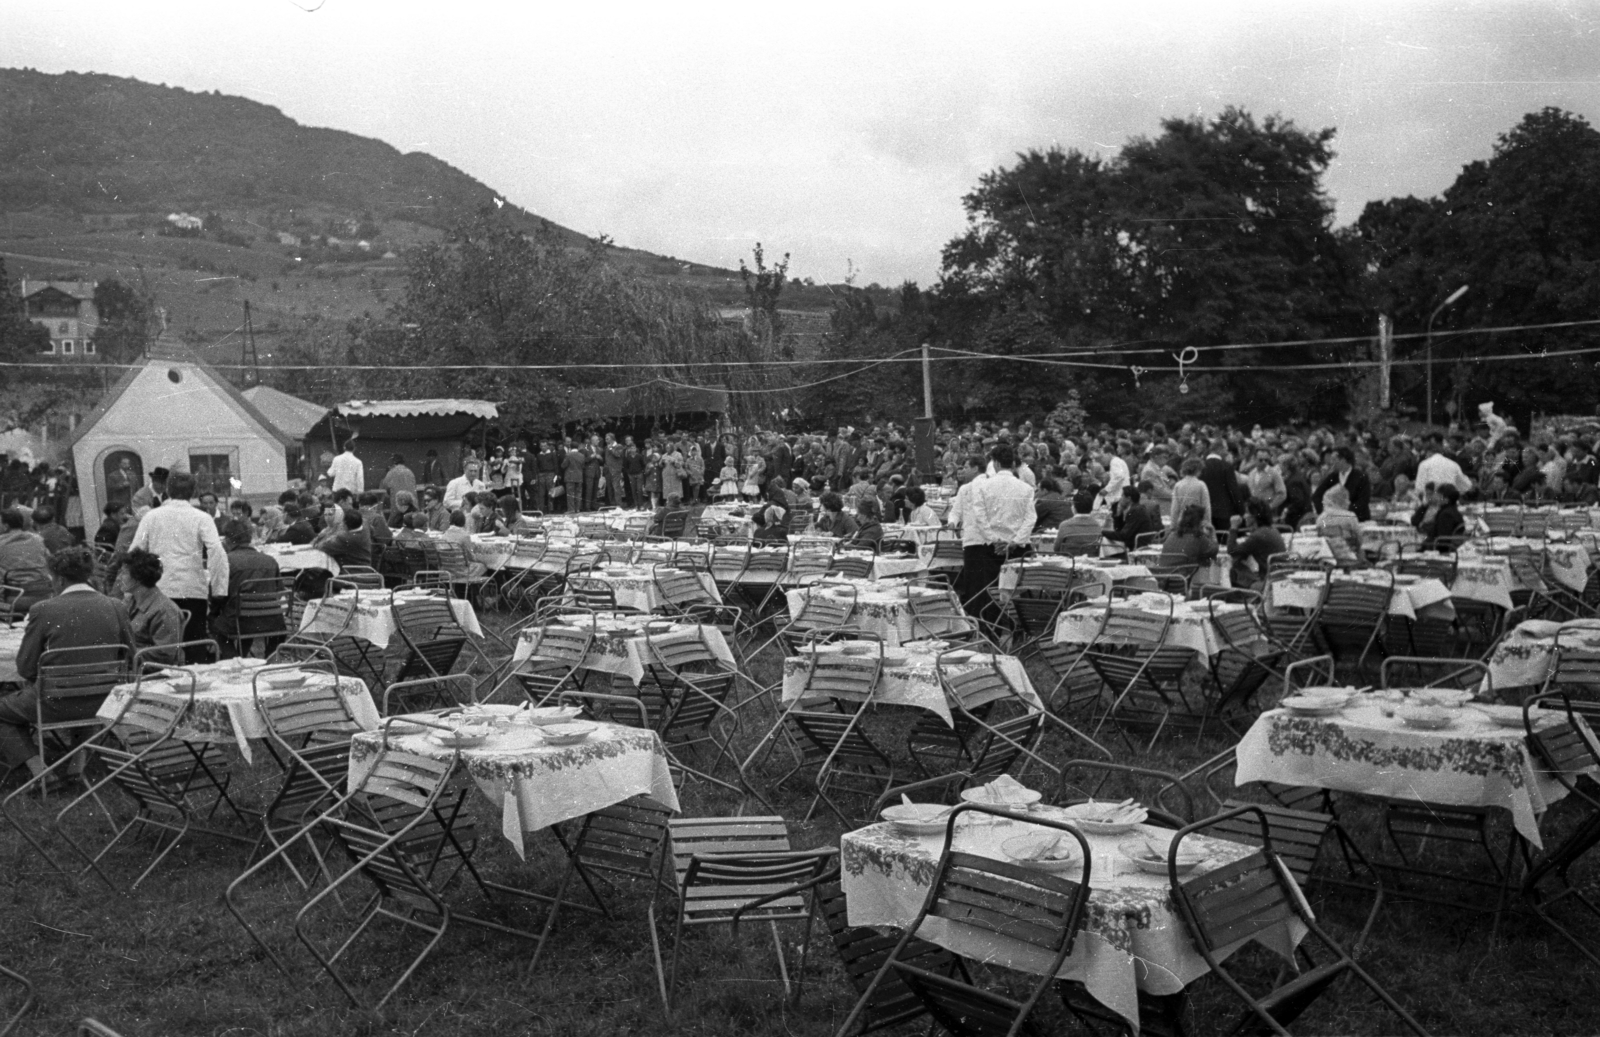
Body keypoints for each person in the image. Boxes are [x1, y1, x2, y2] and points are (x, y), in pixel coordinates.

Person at [3, 547, 136, 784]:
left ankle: (40, 770)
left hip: (54, 703)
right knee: (83, 690)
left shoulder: (43, 609)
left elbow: (25, 668)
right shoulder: (116, 606)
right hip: (104, 702)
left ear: (60, 578)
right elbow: (133, 657)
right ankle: (76, 766)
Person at [128, 470, 229, 662]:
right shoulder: (202, 517)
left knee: (161, 649)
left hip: (159, 590)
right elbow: (217, 552)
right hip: (192, 589)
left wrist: (135, 589)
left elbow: (134, 553)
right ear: (193, 492)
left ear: (167, 489)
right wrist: (219, 590)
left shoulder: (152, 517)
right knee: (194, 648)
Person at [958, 444, 1036, 621]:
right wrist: (1015, 541)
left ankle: (993, 631)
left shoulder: (983, 487)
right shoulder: (1026, 488)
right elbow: (1030, 519)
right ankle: (1018, 631)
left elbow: (980, 518)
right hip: (1016, 548)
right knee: (1017, 590)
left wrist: (994, 540)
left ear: (996, 463)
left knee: (991, 592)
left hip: (992, 548)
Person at [122, 547, 187, 666]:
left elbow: (164, 655)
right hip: (132, 667)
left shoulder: (165, 610)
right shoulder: (130, 602)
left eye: (124, 573)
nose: (120, 577)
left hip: (152, 675)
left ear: (137, 577)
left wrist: (123, 655)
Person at [0, 510, 55, 615]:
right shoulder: (38, 540)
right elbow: (50, 563)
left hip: (14, 599)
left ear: (5, 526)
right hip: (44, 596)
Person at [1228, 498, 1286, 590]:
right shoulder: (1271, 530)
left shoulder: (1258, 535)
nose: (1244, 516)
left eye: (1247, 512)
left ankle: (1246, 599)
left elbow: (1231, 550)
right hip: (1280, 578)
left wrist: (1233, 527)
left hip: (1270, 583)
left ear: (1254, 515)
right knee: (1237, 566)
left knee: (1233, 570)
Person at [1313, 446, 1373, 522]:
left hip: (1359, 520)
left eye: (1334, 459)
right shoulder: (1332, 477)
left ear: (1343, 460)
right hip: (1335, 520)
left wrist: (1345, 513)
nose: (1331, 462)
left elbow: (1363, 501)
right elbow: (1316, 496)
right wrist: (1323, 511)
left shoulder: (1361, 477)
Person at [1200, 439, 1248, 529]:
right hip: (1224, 514)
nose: (1227, 452)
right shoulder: (1226, 466)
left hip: (1205, 514)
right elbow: (1233, 491)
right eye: (1226, 449)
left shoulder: (1201, 466)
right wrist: (1241, 511)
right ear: (1219, 449)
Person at [1159, 503, 1219, 568]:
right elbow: (1214, 551)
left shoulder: (1172, 535)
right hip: (1181, 575)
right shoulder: (1199, 538)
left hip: (1162, 574)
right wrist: (1212, 533)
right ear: (1200, 521)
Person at [1107, 483, 1164, 551]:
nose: (1120, 499)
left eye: (1122, 496)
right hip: (1134, 543)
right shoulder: (1135, 508)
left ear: (1128, 499)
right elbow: (1120, 531)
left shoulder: (1136, 511)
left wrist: (1102, 533)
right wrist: (1118, 515)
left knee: (1105, 540)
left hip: (1137, 546)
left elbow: (1123, 535)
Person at [315, 505, 373, 570]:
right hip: (365, 568)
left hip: (351, 573)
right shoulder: (364, 524)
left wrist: (327, 532)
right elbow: (371, 529)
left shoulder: (344, 538)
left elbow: (320, 547)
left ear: (344, 524)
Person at [1316, 485, 1363, 564]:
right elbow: (1359, 538)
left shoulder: (1321, 517)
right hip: (1348, 552)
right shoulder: (1350, 516)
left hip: (1327, 553)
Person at [1412, 483, 1467, 551]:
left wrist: (1424, 547)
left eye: (1439, 496)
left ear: (1446, 500)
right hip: (1440, 546)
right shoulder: (1453, 511)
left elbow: (1442, 540)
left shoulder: (1446, 515)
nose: (1437, 498)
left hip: (1438, 550)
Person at [1053, 491, 1107, 557]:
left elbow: (1056, 549)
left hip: (1069, 561)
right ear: (1091, 507)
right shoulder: (1098, 525)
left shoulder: (1064, 525)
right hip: (1091, 560)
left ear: (1074, 507)